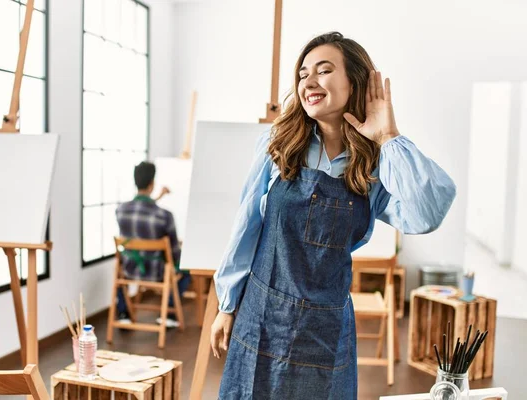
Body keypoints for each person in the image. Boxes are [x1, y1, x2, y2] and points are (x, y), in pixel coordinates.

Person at [210, 32, 457, 399]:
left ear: (353, 82)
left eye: (324, 71)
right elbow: (246, 226)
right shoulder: (278, 145)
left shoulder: (374, 166)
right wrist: (227, 305)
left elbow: (427, 213)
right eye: (303, 74)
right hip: (261, 317)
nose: (309, 82)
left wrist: (388, 136)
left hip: (325, 331)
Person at [115, 161, 191, 328]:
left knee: (118, 266)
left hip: (129, 269)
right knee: (186, 270)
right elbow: (174, 252)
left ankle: (123, 313)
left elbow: (142, 212)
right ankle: (169, 312)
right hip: (156, 272)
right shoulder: (164, 216)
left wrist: (158, 196)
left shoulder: (121, 211)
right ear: (152, 184)